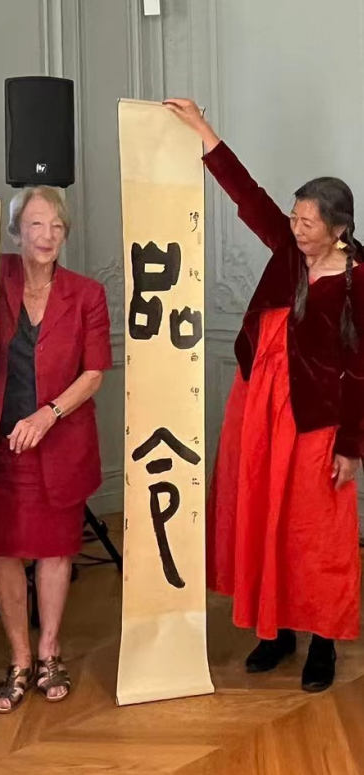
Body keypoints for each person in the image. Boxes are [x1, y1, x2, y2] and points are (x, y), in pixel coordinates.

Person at [165, 98, 364, 693]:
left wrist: (351, 447)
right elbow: (248, 195)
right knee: (261, 518)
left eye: (308, 223)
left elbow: (361, 370)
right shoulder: (288, 249)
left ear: (339, 229)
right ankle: (274, 632)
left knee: (316, 533)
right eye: (295, 218)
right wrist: (203, 130)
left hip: (317, 420)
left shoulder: (358, 281)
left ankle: (322, 642)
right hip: (258, 403)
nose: (296, 228)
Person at [0, 184, 111, 712]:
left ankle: (49, 652)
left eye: (57, 226)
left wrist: (48, 415)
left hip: (61, 443)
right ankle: (20, 657)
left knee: (56, 552)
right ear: (16, 231)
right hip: (1, 445)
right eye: (36, 225)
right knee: (4, 554)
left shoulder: (87, 293)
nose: (47, 235)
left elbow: (94, 372)